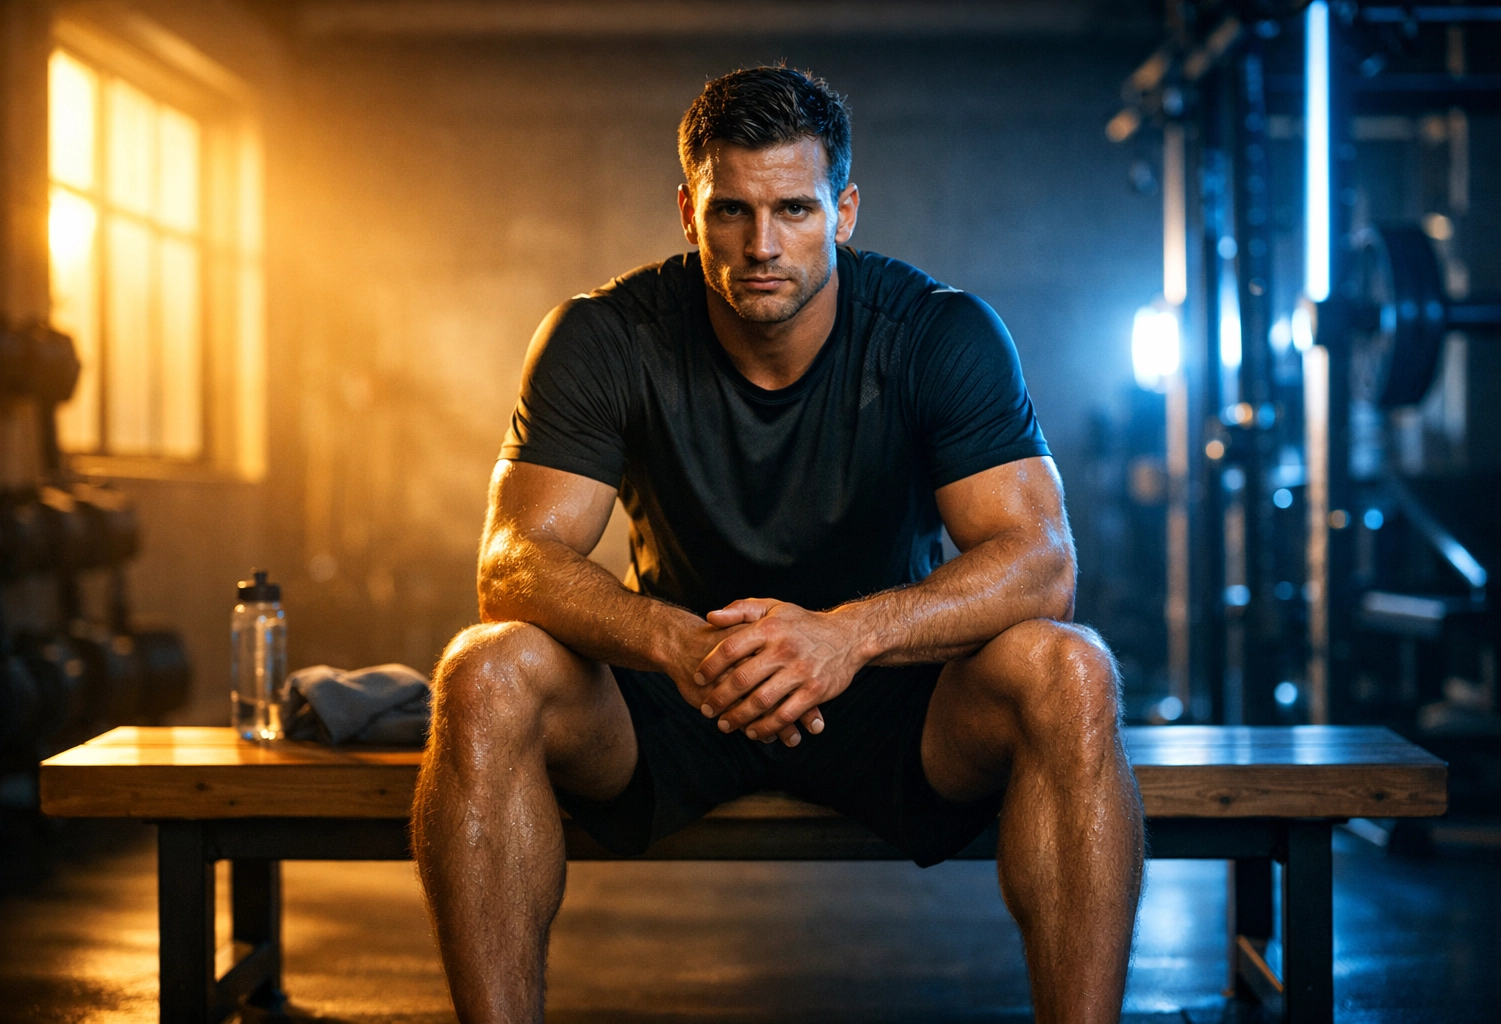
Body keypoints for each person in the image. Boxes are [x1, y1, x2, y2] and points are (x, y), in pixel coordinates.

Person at [411, 66, 1144, 1024]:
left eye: (794, 209)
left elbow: (1043, 564)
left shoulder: (938, 333)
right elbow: (511, 562)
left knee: (1073, 670)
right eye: (732, 211)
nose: (762, 246)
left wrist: (844, 637)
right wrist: (678, 643)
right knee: (482, 670)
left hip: (893, 697)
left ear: (843, 211)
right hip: (679, 693)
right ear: (687, 211)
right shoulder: (603, 335)